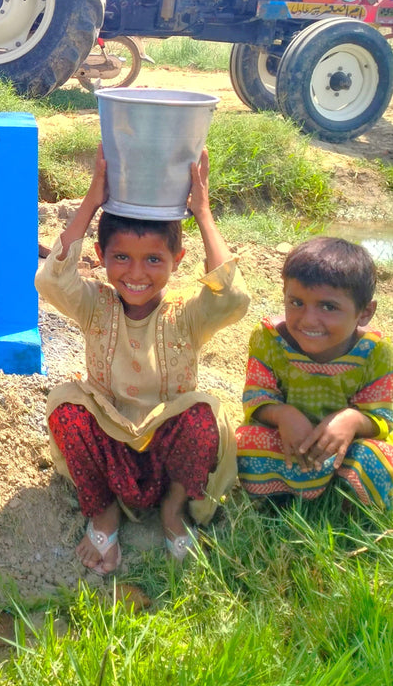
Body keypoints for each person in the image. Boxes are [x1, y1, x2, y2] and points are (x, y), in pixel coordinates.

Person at [37, 146, 248, 574]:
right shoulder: (95, 306)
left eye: (154, 259)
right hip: (110, 450)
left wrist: (203, 213)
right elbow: (51, 279)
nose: (136, 273)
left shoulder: (187, 315)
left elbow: (234, 298)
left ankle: (173, 512)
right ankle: (104, 513)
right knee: (66, 406)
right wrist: (92, 200)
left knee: (204, 416)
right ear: (100, 256)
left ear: (178, 260)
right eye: (121, 258)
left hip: (168, 457)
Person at [236, 237, 392, 508]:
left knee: (375, 456)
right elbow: (256, 398)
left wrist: (353, 421)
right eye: (296, 302)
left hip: (344, 452)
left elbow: (383, 418)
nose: (308, 319)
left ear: (365, 312)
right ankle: (277, 502)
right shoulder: (269, 339)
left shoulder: (375, 353)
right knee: (241, 442)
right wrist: (283, 415)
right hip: (286, 443)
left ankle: (343, 508)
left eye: (328, 307)